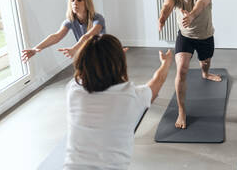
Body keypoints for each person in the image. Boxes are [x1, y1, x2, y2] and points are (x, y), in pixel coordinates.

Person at [64, 34, 172, 170]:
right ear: (119, 62)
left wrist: (111, 58)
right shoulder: (130, 96)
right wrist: (166, 63)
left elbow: (85, 70)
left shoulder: (73, 90)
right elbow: (158, 81)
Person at [158, 0, 221, 129]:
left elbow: (202, 3)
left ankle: (205, 73)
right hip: (185, 37)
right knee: (181, 70)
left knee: (205, 62)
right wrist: (162, 18)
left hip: (205, 35)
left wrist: (192, 15)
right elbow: (167, 6)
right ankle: (181, 111)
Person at [21, 0, 105, 62]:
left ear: (87, 2)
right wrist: (35, 49)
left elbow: (87, 36)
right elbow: (56, 36)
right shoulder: (71, 21)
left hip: (103, 55)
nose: (75, 3)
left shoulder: (98, 18)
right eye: (72, 0)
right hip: (87, 56)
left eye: (79, 0)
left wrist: (74, 49)